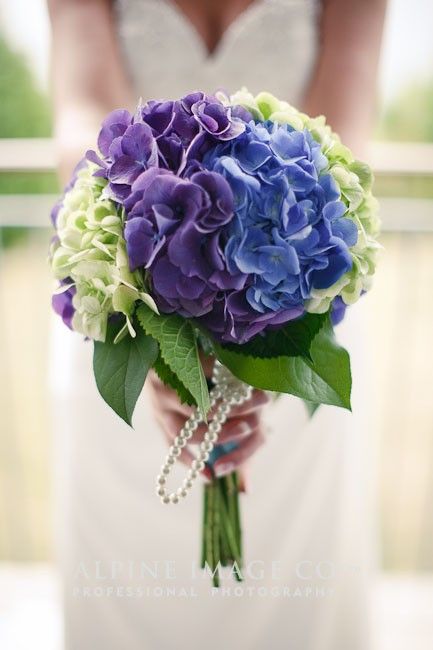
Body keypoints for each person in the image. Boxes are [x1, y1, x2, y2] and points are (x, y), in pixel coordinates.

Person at [48, 1, 386, 649]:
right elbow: (84, 115)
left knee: (293, 591)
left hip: (295, 307)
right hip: (129, 310)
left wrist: (258, 329)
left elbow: (341, 129)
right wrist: (151, 324)